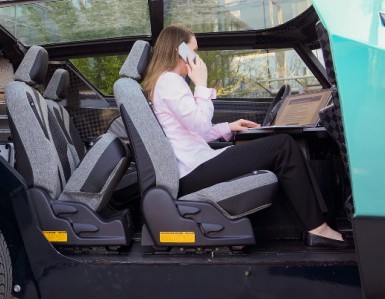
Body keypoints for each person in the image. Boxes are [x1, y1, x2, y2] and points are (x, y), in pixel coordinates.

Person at [143, 24, 348, 247]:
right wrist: (201, 84)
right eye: (193, 51)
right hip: (193, 171)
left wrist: (228, 127)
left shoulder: (166, 83)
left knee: (282, 147)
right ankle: (318, 228)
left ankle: (319, 222)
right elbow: (199, 124)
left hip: (196, 165)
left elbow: (190, 130)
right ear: (179, 52)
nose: (196, 57)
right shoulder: (170, 81)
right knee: (284, 146)